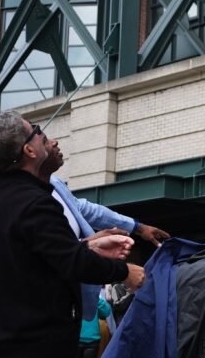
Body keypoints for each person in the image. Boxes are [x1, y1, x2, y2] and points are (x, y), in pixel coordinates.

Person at [0, 111, 146, 358]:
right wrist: (126, 272)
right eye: (38, 131)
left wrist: (87, 247)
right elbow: (73, 263)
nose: (45, 136)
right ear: (29, 151)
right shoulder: (33, 202)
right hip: (34, 345)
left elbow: (29, 261)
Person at [39, 133, 170, 320]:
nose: (55, 142)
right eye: (44, 141)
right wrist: (93, 248)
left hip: (70, 307)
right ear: (29, 151)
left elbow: (89, 211)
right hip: (44, 310)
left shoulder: (55, 185)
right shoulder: (24, 200)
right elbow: (51, 251)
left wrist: (138, 228)